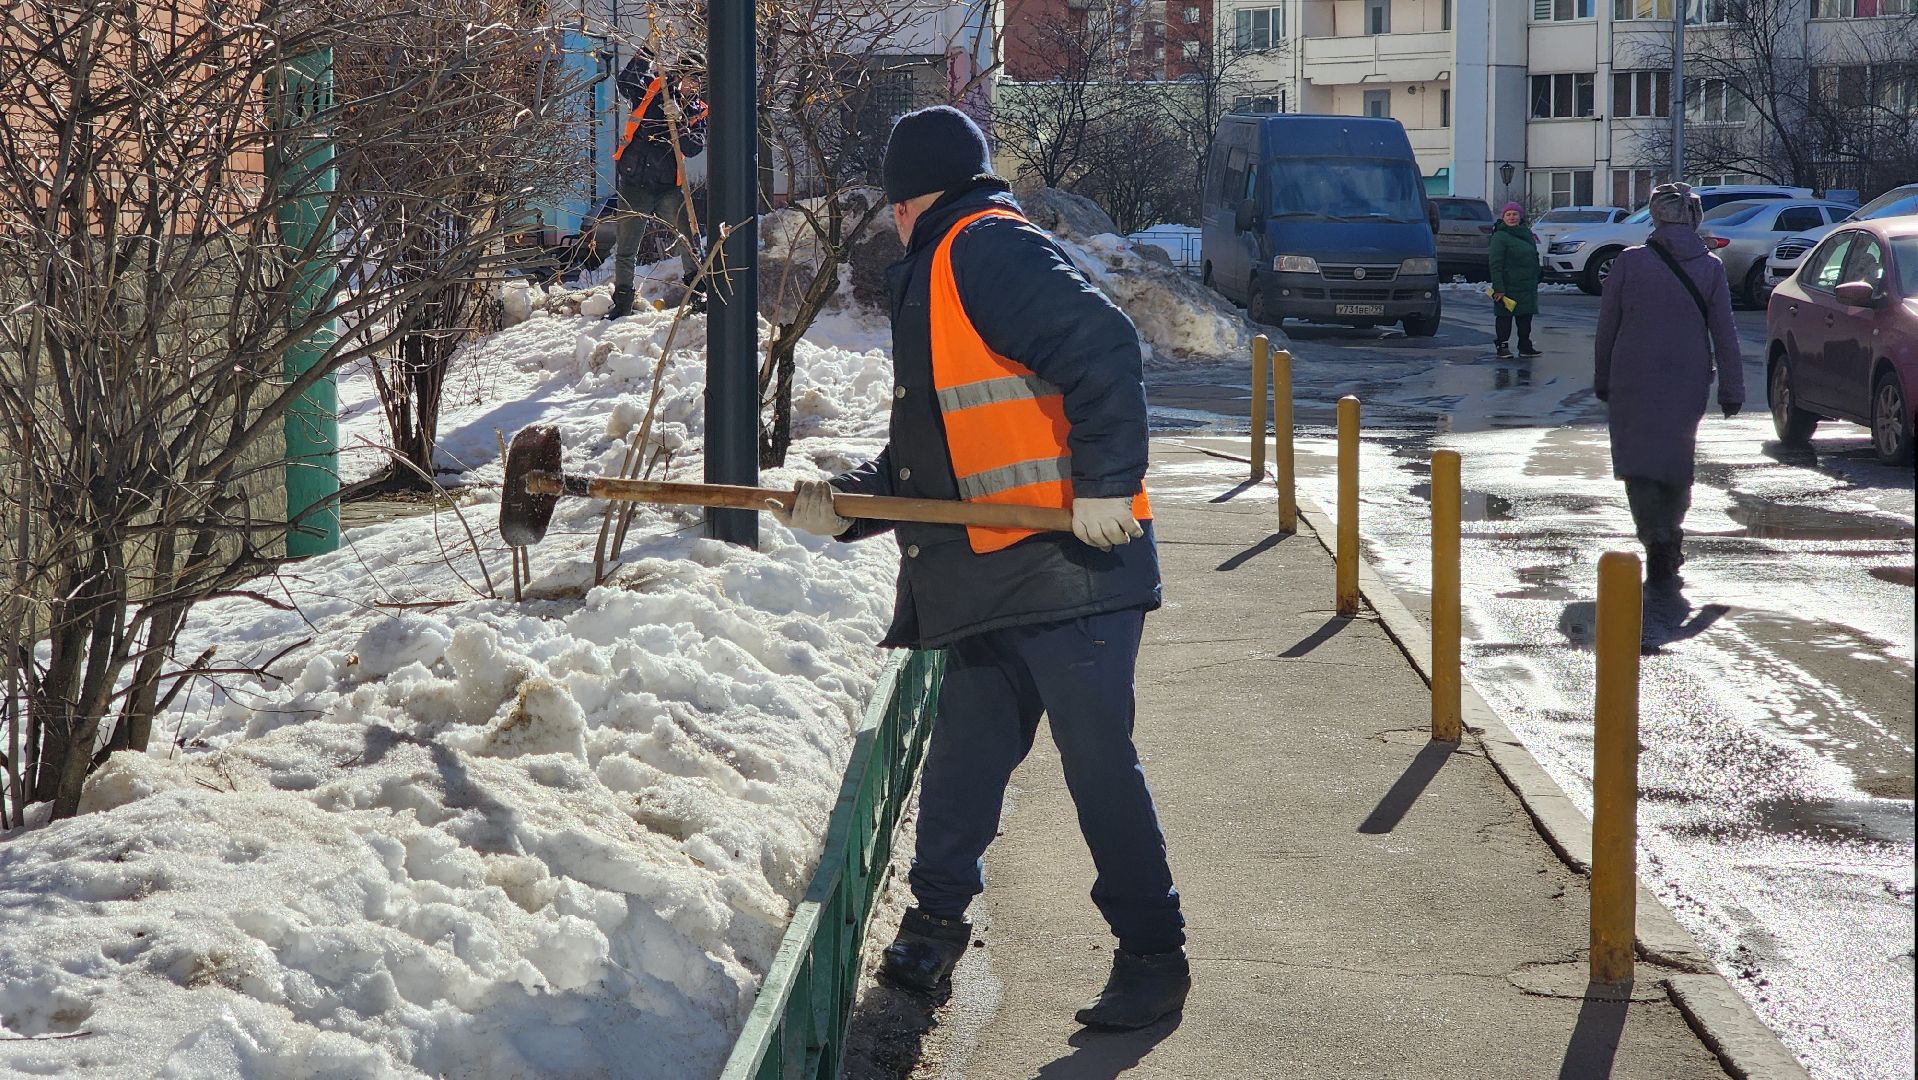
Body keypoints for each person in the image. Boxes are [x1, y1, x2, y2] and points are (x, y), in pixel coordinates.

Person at [769, 105, 1187, 1031]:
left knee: (1098, 766)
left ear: (912, 200)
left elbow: (1107, 347)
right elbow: (931, 462)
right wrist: (842, 505)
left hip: (1076, 566)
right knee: (964, 760)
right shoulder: (942, 267)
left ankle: (1154, 957)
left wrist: (1111, 483)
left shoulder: (984, 247)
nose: (892, 225)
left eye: (893, 209)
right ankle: (933, 929)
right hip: (999, 571)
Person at [1593, 182, 1745, 585]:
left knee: (1638, 461)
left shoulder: (1628, 263)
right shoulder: (1710, 266)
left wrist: (1602, 376)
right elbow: (1725, 333)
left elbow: (1607, 327)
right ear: (1695, 217)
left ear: (1656, 214)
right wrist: (1732, 389)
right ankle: (1671, 536)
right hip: (1688, 379)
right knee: (1677, 458)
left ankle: (1654, 537)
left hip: (1631, 377)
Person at [609, 49, 707, 319]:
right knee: (627, 245)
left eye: (698, 81)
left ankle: (699, 295)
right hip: (636, 181)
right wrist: (645, 54)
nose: (693, 85)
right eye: (690, 78)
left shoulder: (698, 111)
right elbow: (626, 83)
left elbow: (694, 146)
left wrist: (681, 122)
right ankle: (623, 302)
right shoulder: (655, 90)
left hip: (668, 187)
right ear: (678, 75)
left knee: (687, 241)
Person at [1488, 201, 1542, 358]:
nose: (1512, 217)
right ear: (1503, 217)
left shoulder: (1526, 233)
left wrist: (1538, 273)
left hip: (1527, 285)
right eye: (1508, 214)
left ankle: (1525, 346)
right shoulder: (1500, 237)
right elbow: (1495, 264)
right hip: (1507, 285)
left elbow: (1533, 255)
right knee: (1504, 317)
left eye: (1515, 214)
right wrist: (1498, 287)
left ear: (1520, 216)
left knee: (1525, 316)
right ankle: (1502, 346)